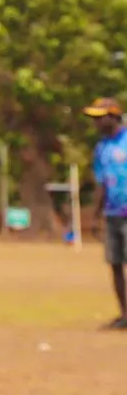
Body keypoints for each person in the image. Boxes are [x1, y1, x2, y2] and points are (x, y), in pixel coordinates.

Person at [84, 96, 127, 330]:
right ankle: (125, 315)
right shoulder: (101, 148)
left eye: (99, 118)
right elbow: (101, 183)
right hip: (113, 213)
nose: (96, 123)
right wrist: (95, 214)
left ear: (113, 116)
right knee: (116, 264)